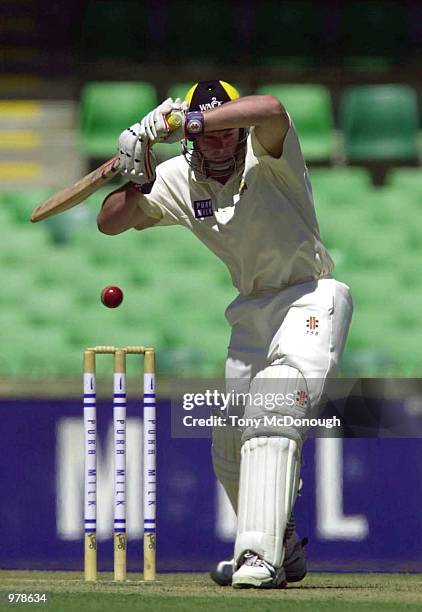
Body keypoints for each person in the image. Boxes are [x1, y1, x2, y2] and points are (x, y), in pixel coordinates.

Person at [97, 80, 353, 589]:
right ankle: (280, 540)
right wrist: (136, 172)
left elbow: (273, 108)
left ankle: (258, 558)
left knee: (273, 408)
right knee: (229, 448)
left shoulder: (271, 156)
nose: (218, 142)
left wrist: (186, 122)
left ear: (238, 132)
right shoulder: (176, 178)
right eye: (207, 134)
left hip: (310, 296)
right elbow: (109, 222)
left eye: (226, 131)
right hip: (251, 313)